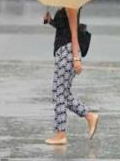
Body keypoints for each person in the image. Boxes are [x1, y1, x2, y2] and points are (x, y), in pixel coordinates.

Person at [43, 7, 99, 145]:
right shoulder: (65, 6)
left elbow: (73, 33)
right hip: (63, 52)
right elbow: (64, 28)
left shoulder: (71, 5)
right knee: (62, 94)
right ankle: (89, 115)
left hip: (68, 53)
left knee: (59, 94)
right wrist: (50, 21)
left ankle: (61, 134)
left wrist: (76, 59)